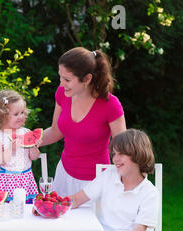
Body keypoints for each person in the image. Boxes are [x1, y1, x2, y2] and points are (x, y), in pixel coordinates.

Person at [39, 47, 126, 196]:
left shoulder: (111, 105)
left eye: (67, 80)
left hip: (96, 182)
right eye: (60, 77)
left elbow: (123, 150)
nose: (61, 84)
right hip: (64, 175)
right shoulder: (62, 94)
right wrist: (25, 142)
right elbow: (55, 131)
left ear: (87, 79)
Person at [0, 90, 40, 203]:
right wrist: (11, 148)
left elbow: (34, 157)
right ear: (2, 116)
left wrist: (33, 147)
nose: (21, 116)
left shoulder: (27, 132)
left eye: (22, 113)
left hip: (26, 179)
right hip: (5, 181)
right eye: (16, 114)